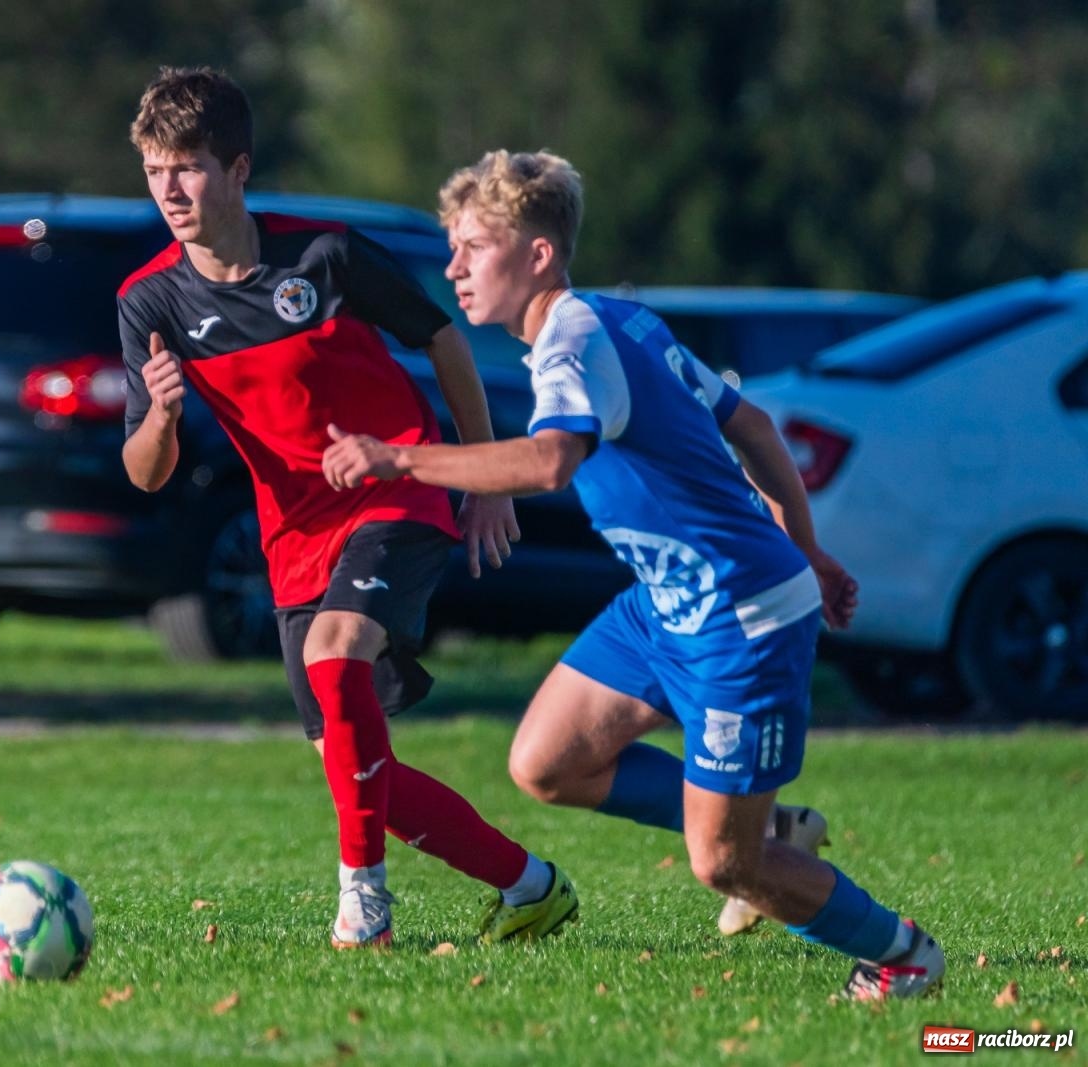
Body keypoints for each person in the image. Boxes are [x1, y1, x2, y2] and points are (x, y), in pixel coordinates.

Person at [321, 149, 944, 999]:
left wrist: (399, 458)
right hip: (665, 608)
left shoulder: (576, 340)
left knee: (724, 862)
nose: (454, 267)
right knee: (546, 762)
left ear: (538, 254)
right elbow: (754, 426)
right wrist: (810, 545)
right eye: (451, 247)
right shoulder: (620, 320)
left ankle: (903, 954)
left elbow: (548, 463)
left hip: (739, 618)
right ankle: (779, 824)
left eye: (473, 246)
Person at [118, 67, 578, 949]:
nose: (170, 189)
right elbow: (146, 472)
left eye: (189, 167)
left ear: (238, 168)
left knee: (337, 659)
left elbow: (441, 337)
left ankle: (363, 909)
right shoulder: (150, 302)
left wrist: (478, 478)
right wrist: (165, 414)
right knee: (352, 762)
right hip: (293, 534)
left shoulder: (321, 256)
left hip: (394, 489)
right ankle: (532, 886)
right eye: (153, 170)